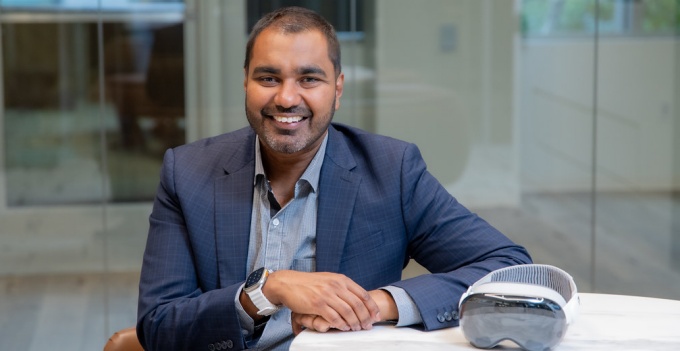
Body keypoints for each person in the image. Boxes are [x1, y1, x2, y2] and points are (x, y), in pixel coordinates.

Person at [137, 6, 532, 351]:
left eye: (309, 79)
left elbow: (506, 268)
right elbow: (158, 326)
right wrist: (264, 291)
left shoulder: (391, 171)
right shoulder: (187, 172)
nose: (287, 98)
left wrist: (376, 305)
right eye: (269, 78)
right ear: (246, 83)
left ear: (338, 89)